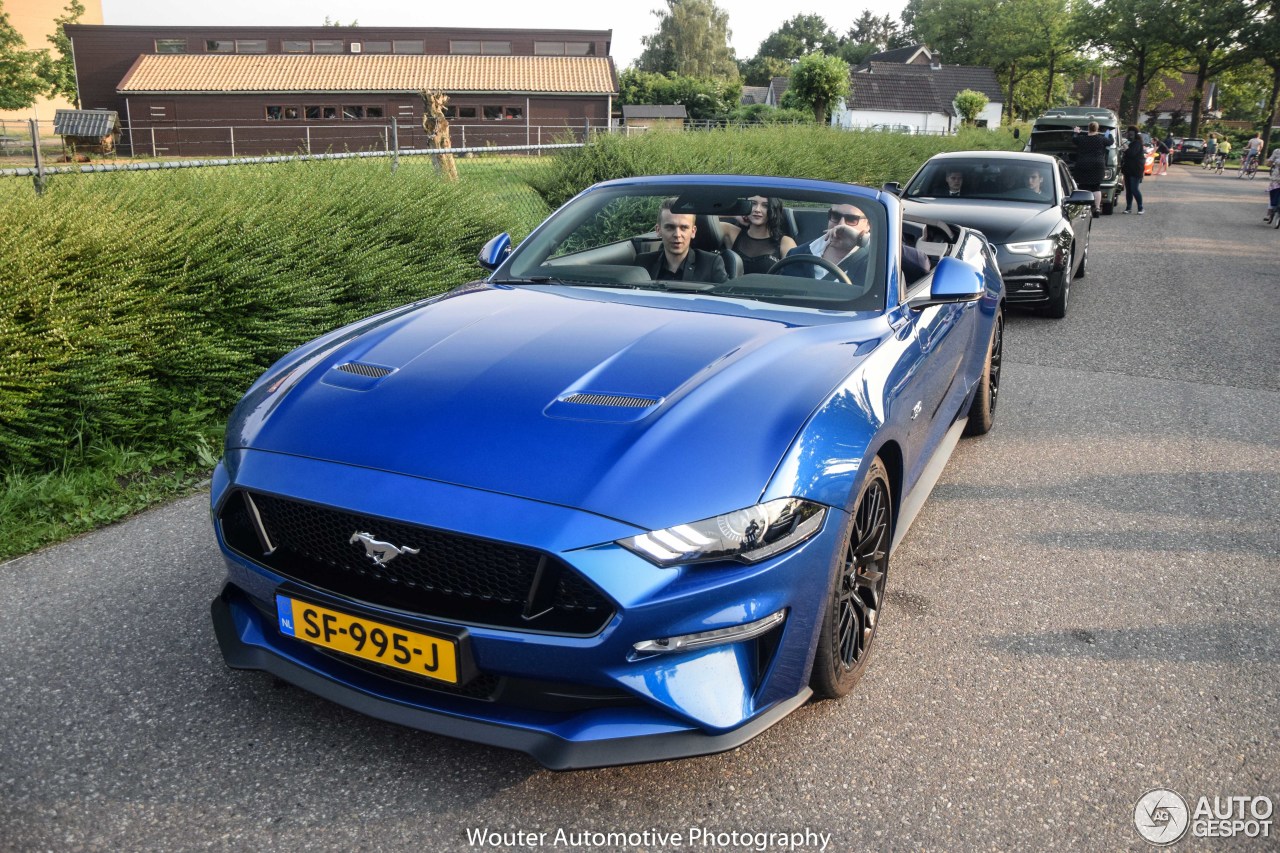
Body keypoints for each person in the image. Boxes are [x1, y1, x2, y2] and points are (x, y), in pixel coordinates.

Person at [633, 198, 729, 284]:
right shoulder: (643, 263)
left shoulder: (711, 264)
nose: (677, 235)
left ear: (693, 231)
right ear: (658, 230)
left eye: (684, 228)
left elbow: (727, 299)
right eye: (670, 227)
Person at [781, 203, 872, 283]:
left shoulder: (875, 259)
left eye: (851, 219)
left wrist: (862, 240)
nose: (841, 224)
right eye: (835, 216)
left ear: (868, 224)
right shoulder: (796, 254)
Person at [719, 195, 797, 275]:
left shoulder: (785, 242)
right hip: (732, 287)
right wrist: (736, 214)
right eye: (753, 204)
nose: (757, 209)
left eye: (765, 205)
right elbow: (706, 216)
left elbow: (795, 277)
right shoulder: (731, 232)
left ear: (773, 209)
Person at [1071, 121, 1111, 215]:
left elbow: (1074, 140)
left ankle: (1083, 209)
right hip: (1097, 165)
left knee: (1083, 187)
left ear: (1088, 128)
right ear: (1097, 129)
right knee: (1096, 187)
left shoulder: (1082, 139)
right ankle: (1097, 208)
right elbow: (1110, 142)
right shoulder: (1101, 139)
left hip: (1083, 164)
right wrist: (1108, 134)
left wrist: (1076, 132)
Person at [1120, 125, 1146, 214]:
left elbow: (1131, 154)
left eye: (1129, 133)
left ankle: (1141, 208)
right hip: (1128, 169)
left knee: (1134, 189)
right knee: (1129, 190)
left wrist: (1124, 146)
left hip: (1136, 170)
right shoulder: (1132, 143)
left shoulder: (1137, 143)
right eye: (1128, 133)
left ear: (1134, 134)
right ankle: (1128, 208)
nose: (1128, 135)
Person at [1266, 147, 1280, 223]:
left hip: (1276, 177)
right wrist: (1269, 163)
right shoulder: (1277, 151)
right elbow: (1269, 162)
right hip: (1276, 178)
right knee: (1273, 194)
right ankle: (1270, 212)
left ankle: (1270, 211)